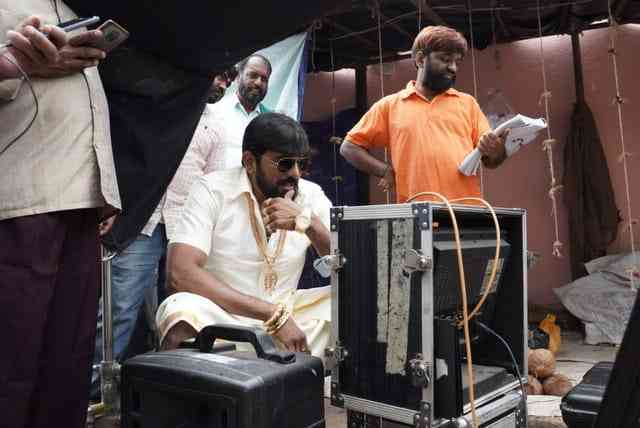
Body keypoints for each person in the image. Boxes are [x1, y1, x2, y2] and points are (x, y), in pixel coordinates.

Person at [0, 3, 119, 428]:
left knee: (66, 375)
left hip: (81, 204)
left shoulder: (80, 7)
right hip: (17, 204)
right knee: (10, 370)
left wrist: (105, 188)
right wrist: (11, 64)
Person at [90, 72, 232, 399]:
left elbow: (214, 183)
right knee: (119, 310)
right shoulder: (162, 107)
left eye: (229, 78)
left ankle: (165, 393)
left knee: (181, 314)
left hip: (187, 229)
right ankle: (92, 395)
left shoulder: (217, 125)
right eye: (219, 75)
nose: (223, 83)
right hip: (142, 220)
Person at [156, 112, 332, 357]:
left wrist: (309, 223)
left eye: (302, 165)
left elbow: (345, 262)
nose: (295, 174)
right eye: (284, 163)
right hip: (224, 318)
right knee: (180, 309)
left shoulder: (310, 196)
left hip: (291, 319)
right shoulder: (212, 190)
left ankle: (317, 380)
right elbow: (179, 273)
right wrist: (270, 313)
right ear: (249, 161)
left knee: (347, 303)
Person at [340, 26, 509, 203]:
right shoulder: (390, 106)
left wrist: (497, 150)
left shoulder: (468, 104)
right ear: (420, 59)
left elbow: (492, 161)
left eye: (457, 62)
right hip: (416, 212)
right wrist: (385, 170)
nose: (453, 68)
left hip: (465, 211)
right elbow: (349, 147)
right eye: (445, 59)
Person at [209, 53, 272, 168]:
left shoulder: (271, 121)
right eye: (253, 75)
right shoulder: (215, 110)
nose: (258, 82)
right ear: (238, 78)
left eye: (264, 79)